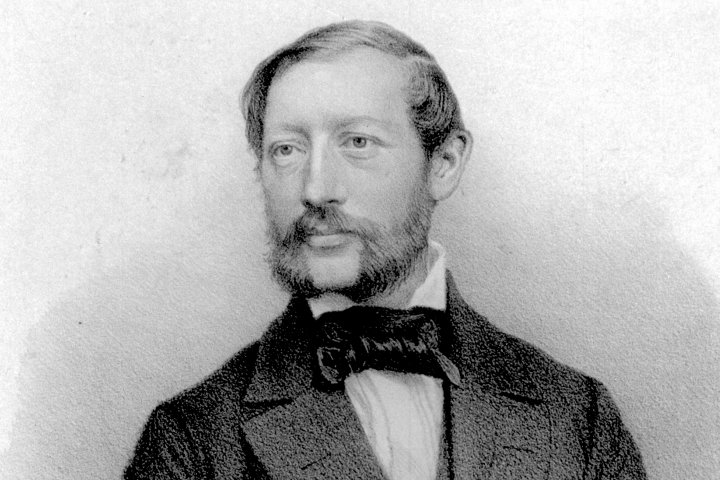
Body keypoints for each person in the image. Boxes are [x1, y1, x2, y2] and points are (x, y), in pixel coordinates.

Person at [125, 20, 646, 479]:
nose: (316, 189)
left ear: (443, 164)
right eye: (287, 149)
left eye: (358, 143)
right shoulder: (190, 440)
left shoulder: (578, 418)